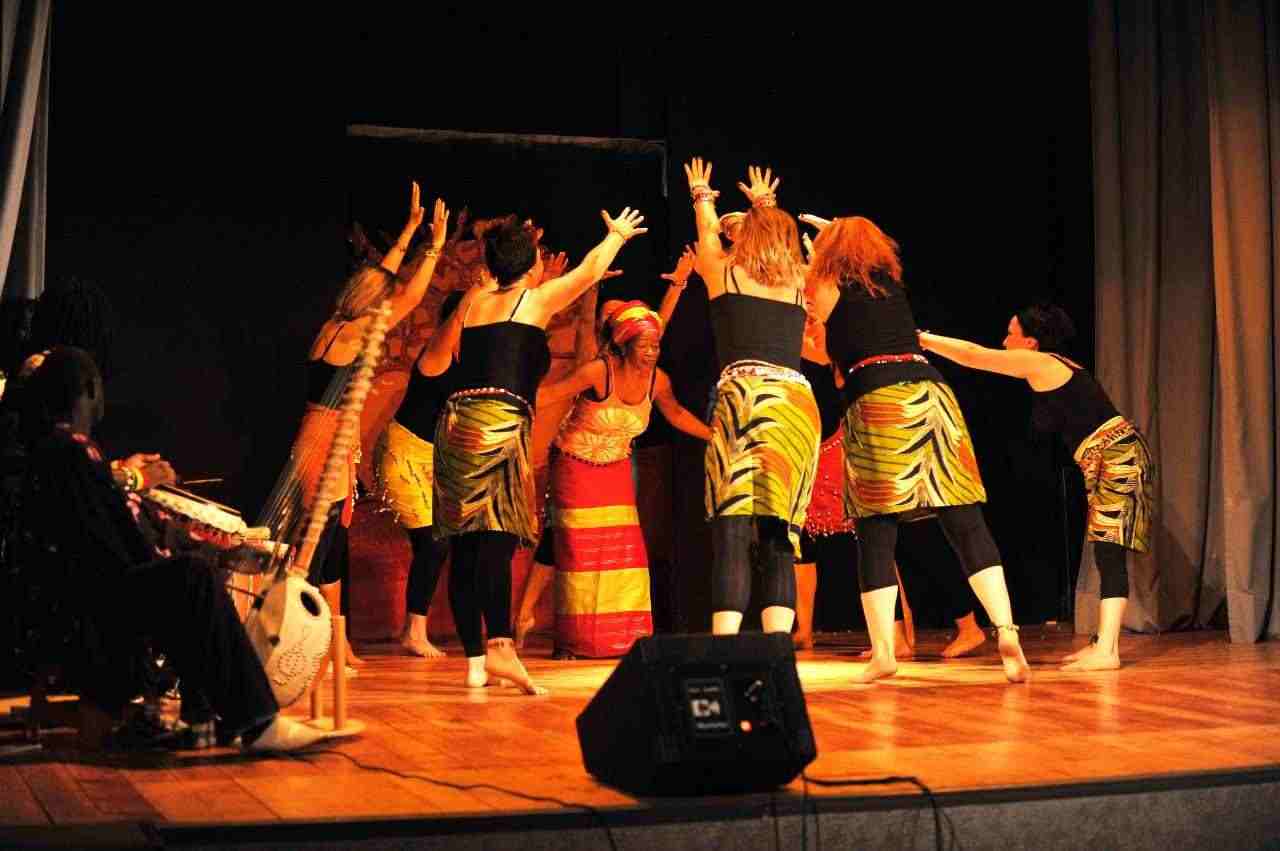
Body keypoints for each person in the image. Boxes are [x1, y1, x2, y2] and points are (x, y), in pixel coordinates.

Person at [19, 347, 327, 751]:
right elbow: (107, 539)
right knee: (191, 578)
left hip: (86, 595)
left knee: (189, 574)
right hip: (91, 604)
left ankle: (206, 720)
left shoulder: (60, 451)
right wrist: (152, 524)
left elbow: (105, 524)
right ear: (89, 391)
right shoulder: (70, 451)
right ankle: (256, 722)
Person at [422, 207, 647, 694]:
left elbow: (437, 362)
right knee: (497, 542)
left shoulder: (475, 303)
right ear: (531, 267)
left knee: (465, 545)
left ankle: (476, 661)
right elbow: (588, 272)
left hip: (456, 424)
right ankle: (501, 648)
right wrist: (617, 236)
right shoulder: (532, 301)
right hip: (498, 426)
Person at [805, 214, 1029, 683]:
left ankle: (884, 651)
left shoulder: (825, 286)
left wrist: (815, 252)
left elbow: (815, 329)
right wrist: (840, 234)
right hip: (933, 394)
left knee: (874, 526)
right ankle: (1006, 629)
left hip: (878, 398)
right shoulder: (891, 284)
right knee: (964, 519)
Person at [918, 304, 1154, 671]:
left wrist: (924, 340)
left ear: (1030, 342)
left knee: (1110, 551)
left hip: (1116, 456)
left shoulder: (1042, 363)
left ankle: (1108, 650)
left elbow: (976, 356)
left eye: (1011, 335)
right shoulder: (1049, 366)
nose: (1004, 341)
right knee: (1105, 550)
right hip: (1106, 458)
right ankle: (1103, 645)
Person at [285, 182, 448, 668]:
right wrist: (435, 247)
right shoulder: (355, 332)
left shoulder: (334, 324)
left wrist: (409, 233)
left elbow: (386, 282)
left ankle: (336, 642)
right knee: (320, 545)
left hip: (321, 436)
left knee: (328, 544)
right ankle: (315, 640)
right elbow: (410, 295)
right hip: (326, 441)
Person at [531, 294, 711, 658]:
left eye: (656, 346)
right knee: (580, 557)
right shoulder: (599, 371)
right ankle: (576, 641)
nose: (651, 353)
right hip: (575, 467)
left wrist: (717, 436)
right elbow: (549, 394)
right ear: (625, 344)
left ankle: (624, 639)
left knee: (623, 555)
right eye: (644, 346)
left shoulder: (657, 381)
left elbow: (675, 414)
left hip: (615, 470)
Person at [683, 160, 821, 638]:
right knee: (779, 532)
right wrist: (766, 205)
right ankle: (777, 649)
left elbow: (706, 235)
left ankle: (727, 648)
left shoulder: (724, 273)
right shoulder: (800, 281)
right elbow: (778, 238)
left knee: (733, 526)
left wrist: (703, 194)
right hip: (797, 406)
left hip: (745, 401)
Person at [369, 291, 464, 658]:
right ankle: (414, 631)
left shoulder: (466, 358)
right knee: (434, 542)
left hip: (434, 459)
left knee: (438, 545)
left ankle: (415, 629)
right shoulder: (437, 353)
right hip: (403, 452)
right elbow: (454, 320)